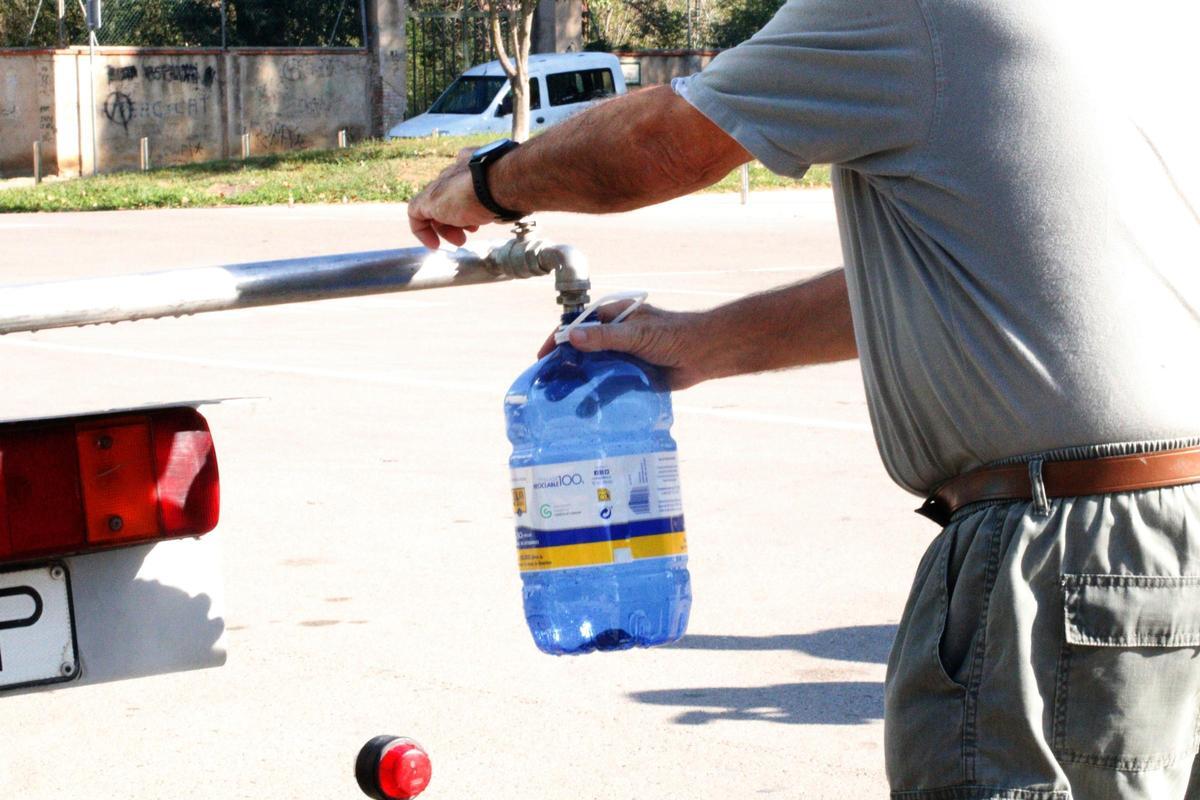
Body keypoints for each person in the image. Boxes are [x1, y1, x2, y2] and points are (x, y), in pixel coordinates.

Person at [407, 1, 1200, 797]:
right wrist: (701, 341)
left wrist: (488, 182)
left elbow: (665, 140)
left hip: (1069, 546)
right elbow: (971, 280)